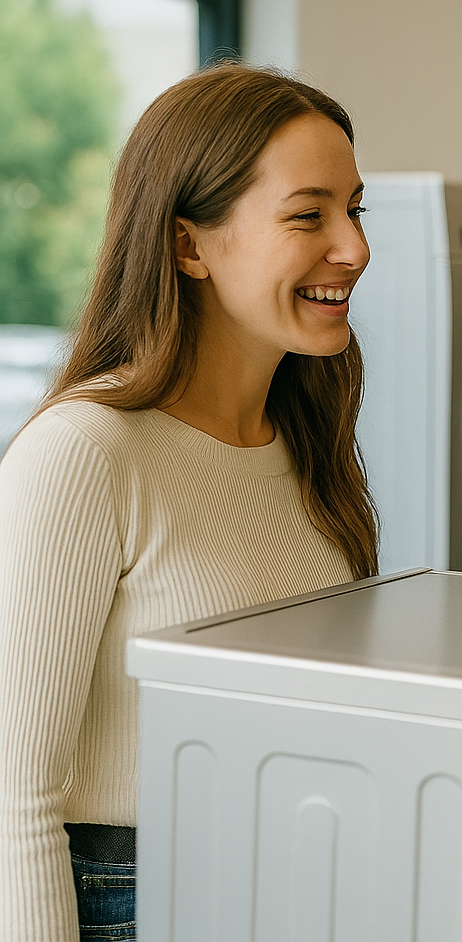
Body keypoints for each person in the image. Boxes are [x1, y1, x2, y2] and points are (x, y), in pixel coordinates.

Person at [0, 65, 375, 941]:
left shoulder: (309, 445)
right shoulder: (87, 451)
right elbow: (13, 800)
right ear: (189, 245)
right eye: (307, 214)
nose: (352, 248)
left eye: (355, 210)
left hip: (291, 884)